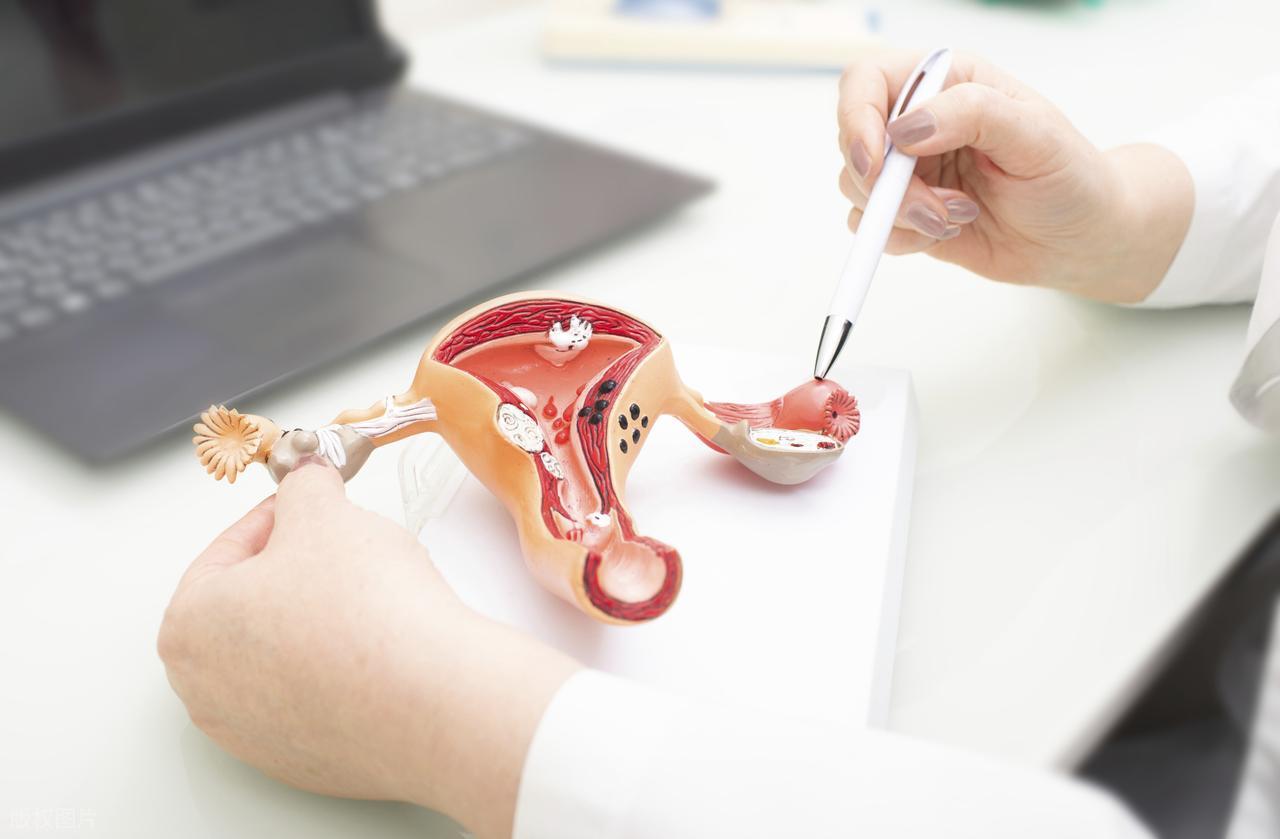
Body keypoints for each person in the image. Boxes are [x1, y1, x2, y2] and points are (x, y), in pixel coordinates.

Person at [158, 50, 1280, 839]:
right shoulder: (490, 395)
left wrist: (459, 724)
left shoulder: (628, 390)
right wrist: (1136, 219)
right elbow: (397, 423)